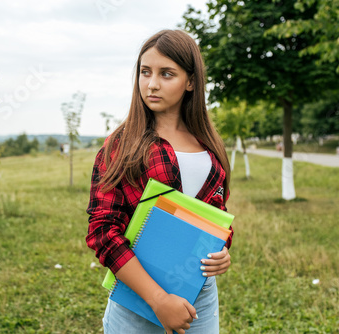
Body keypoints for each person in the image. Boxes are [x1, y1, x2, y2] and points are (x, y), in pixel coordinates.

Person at [86, 29, 233, 334]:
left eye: (167, 74)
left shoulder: (210, 147)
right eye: (145, 72)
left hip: (199, 301)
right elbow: (102, 231)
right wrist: (157, 299)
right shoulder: (122, 146)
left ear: (190, 81)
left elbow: (216, 216)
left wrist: (223, 250)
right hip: (138, 302)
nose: (151, 84)